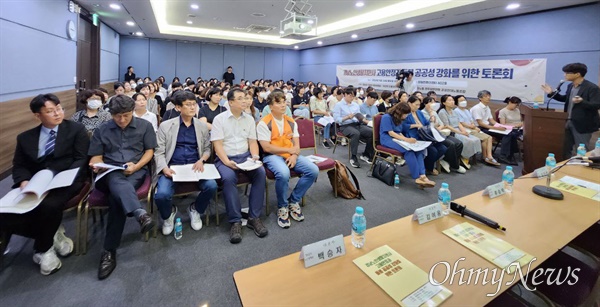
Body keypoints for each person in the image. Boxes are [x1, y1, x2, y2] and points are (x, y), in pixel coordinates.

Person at [0, 94, 89, 275]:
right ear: (37, 115)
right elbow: (19, 165)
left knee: (49, 205)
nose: (57, 113)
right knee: (6, 211)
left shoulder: (76, 129)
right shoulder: (25, 138)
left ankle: (43, 248)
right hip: (35, 182)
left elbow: (81, 159)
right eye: (50, 111)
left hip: (68, 180)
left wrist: (62, 179)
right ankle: (51, 234)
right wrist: (24, 181)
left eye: (59, 108)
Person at [88, 95, 157, 280]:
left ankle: (109, 251)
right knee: (115, 178)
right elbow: (95, 157)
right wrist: (97, 164)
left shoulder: (145, 126)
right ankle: (139, 213)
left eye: (126, 115)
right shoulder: (102, 129)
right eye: (117, 116)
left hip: (134, 172)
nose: (121, 120)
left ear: (132, 111)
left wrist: (136, 165)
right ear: (111, 114)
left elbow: (149, 151)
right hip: (107, 174)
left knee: (115, 199)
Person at [154, 91, 217, 236]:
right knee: (162, 195)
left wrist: (202, 160)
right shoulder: (166, 126)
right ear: (178, 107)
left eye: (194, 104)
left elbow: (207, 148)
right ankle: (168, 214)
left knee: (212, 185)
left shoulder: (201, 126)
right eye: (188, 105)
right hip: (172, 167)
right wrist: (164, 168)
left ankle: (195, 209)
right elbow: (159, 151)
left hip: (195, 166)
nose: (192, 107)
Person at [211, 88, 268, 244]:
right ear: (230, 102)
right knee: (229, 178)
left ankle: (253, 217)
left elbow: (252, 142)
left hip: (245, 156)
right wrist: (226, 161)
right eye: (241, 98)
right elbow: (218, 145)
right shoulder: (219, 119)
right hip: (226, 157)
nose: (245, 101)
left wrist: (255, 157)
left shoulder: (249, 119)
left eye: (246, 98)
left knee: (260, 173)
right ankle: (235, 221)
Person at [257, 91, 318, 229]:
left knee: (313, 170)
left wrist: (294, 155)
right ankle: (282, 206)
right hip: (271, 156)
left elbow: (296, 144)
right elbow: (266, 147)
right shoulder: (264, 123)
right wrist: (289, 151)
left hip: (290, 155)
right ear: (271, 106)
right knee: (284, 173)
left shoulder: (291, 122)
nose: (283, 105)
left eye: (284, 101)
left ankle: (293, 201)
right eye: (278, 102)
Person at [541, 63, 600, 158]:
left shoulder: (591, 87)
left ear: (577, 74)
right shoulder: (570, 86)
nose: (565, 75)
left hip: (583, 124)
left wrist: (582, 101)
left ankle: (582, 171)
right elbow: (565, 99)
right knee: (565, 148)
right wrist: (551, 93)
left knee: (581, 151)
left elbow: (597, 105)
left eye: (567, 73)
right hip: (568, 122)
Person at [379, 103, 435, 187]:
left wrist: (407, 140)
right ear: (399, 112)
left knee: (418, 150)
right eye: (405, 114)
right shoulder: (386, 117)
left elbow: (399, 132)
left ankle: (423, 176)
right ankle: (417, 176)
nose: (406, 116)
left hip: (398, 138)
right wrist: (406, 140)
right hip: (387, 139)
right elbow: (391, 133)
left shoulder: (399, 119)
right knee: (409, 151)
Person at [470, 90, 518, 165]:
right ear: (480, 98)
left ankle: (508, 155)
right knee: (507, 135)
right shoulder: (477, 108)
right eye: (486, 96)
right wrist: (496, 128)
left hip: (487, 127)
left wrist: (501, 126)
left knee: (510, 133)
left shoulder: (487, 107)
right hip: (479, 128)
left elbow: (491, 120)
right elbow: (481, 123)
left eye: (489, 96)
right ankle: (502, 157)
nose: (488, 98)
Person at [403, 96, 447, 176]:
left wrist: (431, 119)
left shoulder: (419, 112)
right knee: (433, 151)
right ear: (409, 103)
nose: (418, 107)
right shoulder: (405, 113)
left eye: (419, 105)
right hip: (415, 136)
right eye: (416, 105)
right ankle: (429, 168)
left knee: (443, 148)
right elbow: (402, 126)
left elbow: (426, 123)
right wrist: (415, 125)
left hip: (425, 135)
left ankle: (427, 165)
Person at [420, 96, 465, 173]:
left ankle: (447, 160)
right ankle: (455, 166)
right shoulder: (423, 113)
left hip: (440, 133)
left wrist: (438, 126)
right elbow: (430, 126)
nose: (433, 104)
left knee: (459, 143)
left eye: (433, 102)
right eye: (430, 102)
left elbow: (441, 124)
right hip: (432, 136)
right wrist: (435, 124)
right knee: (451, 144)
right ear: (425, 104)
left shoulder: (434, 112)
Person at [333, 87, 374, 168]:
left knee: (371, 132)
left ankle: (366, 154)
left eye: (353, 96)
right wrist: (347, 117)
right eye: (350, 96)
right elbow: (337, 120)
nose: (352, 98)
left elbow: (358, 115)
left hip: (356, 124)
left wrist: (362, 118)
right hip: (344, 126)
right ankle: (353, 157)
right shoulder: (339, 105)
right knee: (356, 133)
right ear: (345, 95)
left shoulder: (355, 105)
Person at [438, 95, 482, 170]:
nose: (452, 102)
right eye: (449, 100)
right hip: (451, 131)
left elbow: (458, 123)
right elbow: (447, 126)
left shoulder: (453, 111)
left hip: (458, 129)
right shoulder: (442, 112)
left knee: (476, 139)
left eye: (452, 100)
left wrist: (464, 131)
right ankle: (463, 158)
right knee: (468, 141)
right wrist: (461, 133)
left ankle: (464, 157)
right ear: (444, 103)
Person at [453, 95, 499, 166]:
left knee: (489, 137)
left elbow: (471, 120)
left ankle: (489, 156)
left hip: (472, 128)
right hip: (466, 129)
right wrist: (471, 126)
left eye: (464, 100)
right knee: (485, 138)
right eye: (461, 101)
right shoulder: (456, 111)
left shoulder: (466, 110)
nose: (463, 102)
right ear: (456, 102)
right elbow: (461, 122)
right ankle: (485, 157)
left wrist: (474, 126)